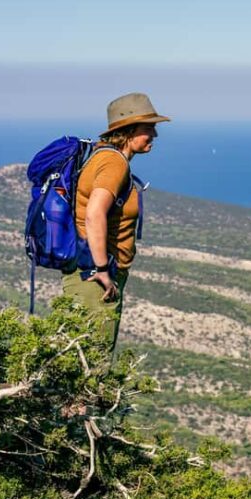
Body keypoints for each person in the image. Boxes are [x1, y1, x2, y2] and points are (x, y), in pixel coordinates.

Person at [62, 92, 169, 353]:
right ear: (129, 131)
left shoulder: (103, 156)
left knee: (83, 356)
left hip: (89, 272)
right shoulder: (113, 163)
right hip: (95, 276)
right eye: (148, 128)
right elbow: (94, 213)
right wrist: (102, 269)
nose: (154, 134)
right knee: (93, 361)